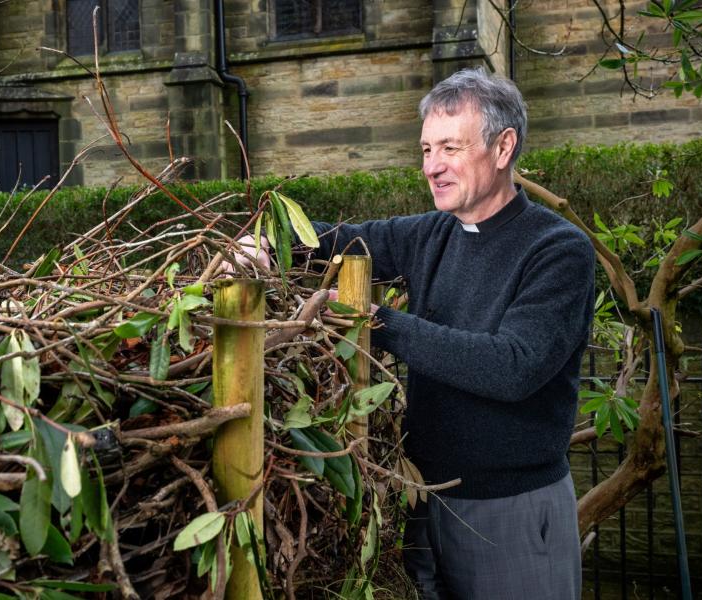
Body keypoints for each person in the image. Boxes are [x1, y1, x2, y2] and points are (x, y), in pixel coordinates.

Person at [233, 68, 594, 599]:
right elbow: (339, 242)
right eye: (426, 149)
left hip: (511, 512)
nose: (432, 167)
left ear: (503, 147)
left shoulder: (557, 249)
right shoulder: (434, 232)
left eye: (450, 147)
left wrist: (373, 319)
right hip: (423, 503)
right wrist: (265, 246)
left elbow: (513, 366)